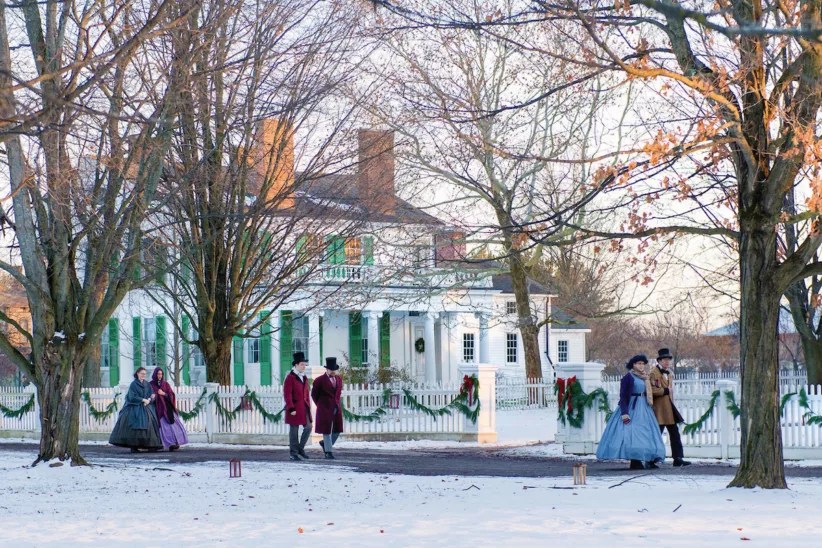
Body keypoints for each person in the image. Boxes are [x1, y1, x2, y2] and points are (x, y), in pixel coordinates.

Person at [596, 354, 666, 469]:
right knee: (634, 433)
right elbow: (623, 397)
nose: (641, 366)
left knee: (647, 432)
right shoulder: (628, 377)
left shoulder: (645, 377)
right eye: (639, 363)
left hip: (645, 407)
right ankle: (635, 460)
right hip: (632, 407)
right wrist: (624, 413)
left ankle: (649, 459)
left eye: (643, 364)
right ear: (633, 365)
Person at [650, 348, 691, 466]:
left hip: (669, 409)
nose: (667, 362)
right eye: (664, 360)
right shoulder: (654, 373)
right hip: (659, 410)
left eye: (668, 360)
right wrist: (665, 390)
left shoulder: (669, 374)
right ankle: (651, 459)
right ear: (659, 361)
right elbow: (652, 390)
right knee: (657, 434)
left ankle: (678, 458)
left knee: (675, 434)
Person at [109, 367, 163, 452]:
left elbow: (152, 394)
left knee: (150, 424)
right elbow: (131, 397)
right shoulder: (133, 384)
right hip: (135, 406)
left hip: (147, 406)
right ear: (137, 374)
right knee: (135, 423)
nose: (143, 375)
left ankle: (149, 445)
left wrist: (149, 399)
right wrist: (142, 399)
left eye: (144, 374)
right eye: (141, 373)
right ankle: (134, 446)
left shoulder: (147, 384)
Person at [149, 367, 189, 452]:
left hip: (167, 408)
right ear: (155, 374)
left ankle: (174, 443)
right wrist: (154, 396)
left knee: (173, 426)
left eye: (161, 374)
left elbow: (171, 394)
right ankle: (161, 444)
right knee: (162, 427)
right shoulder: (151, 384)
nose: (159, 376)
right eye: (158, 374)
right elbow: (149, 395)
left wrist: (163, 393)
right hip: (157, 409)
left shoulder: (165, 384)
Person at [311, 356, 343, 459]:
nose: (333, 371)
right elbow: (314, 395)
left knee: (337, 430)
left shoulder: (339, 379)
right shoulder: (319, 380)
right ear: (327, 369)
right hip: (324, 408)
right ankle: (328, 452)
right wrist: (320, 405)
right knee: (326, 430)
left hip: (336, 408)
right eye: (331, 369)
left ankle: (324, 444)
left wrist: (337, 404)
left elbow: (338, 393)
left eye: (335, 370)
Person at [284, 351, 312, 461]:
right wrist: (291, 408)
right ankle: (293, 453)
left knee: (309, 427)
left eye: (305, 364)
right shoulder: (290, 377)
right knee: (294, 431)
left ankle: (300, 448)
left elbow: (306, 392)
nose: (304, 366)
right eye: (302, 364)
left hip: (304, 407)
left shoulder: (304, 377)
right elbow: (287, 394)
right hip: (294, 408)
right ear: (296, 365)